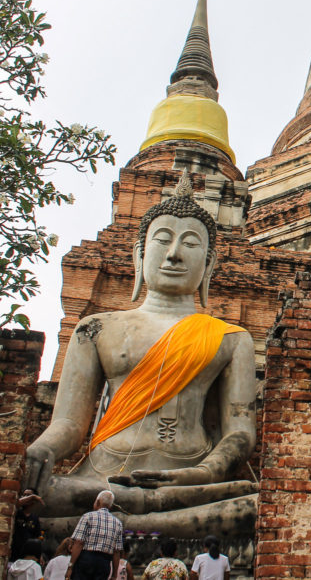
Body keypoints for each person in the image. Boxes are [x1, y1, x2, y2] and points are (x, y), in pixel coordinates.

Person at [24, 174, 257, 537]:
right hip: (101, 477)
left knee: (255, 506)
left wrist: (202, 473)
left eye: (190, 244)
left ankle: (107, 524)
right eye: (162, 240)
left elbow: (240, 433)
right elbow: (69, 426)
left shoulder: (231, 338)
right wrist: (41, 450)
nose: (174, 254)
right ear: (140, 253)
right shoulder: (95, 328)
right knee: (41, 493)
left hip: (191, 485)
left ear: (210, 264)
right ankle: (131, 519)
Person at [67, 490, 124, 580]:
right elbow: (116, 551)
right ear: (110, 506)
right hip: (104, 564)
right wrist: (114, 574)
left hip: (86, 560)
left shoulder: (88, 517)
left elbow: (79, 542)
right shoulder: (117, 523)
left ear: (97, 502)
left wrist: (70, 566)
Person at [11, 488, 44, 561]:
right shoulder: (16, 512)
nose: (25, 498)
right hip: (12, 553)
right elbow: (15, 504)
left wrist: (40, 554)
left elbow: (37, 537)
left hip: (25, 557)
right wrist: (32, 497)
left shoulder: (35, 518)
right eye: (24, 495)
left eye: (28, 495)